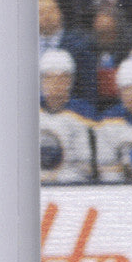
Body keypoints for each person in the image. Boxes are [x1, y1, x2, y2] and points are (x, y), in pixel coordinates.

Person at [39, 49, 96, 183]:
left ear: (70, 81)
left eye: (62, 78)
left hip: (71, 185)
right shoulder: (27, 112)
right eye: (49, 78)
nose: (55, 84)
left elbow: (86, 167)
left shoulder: (83, 114)